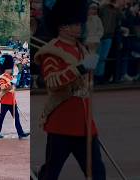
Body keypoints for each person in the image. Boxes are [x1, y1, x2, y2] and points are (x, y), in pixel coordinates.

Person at [34, 0, 106, 179]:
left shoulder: (81, 49)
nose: (79, 26)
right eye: (74, 23)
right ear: (63, 26)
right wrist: (81, 68)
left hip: (85, 122)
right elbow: (52, 82)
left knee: (97, 172)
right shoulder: (52, 51)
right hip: (62, 123)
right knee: (51, 172)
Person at [0, 54, 30, 139]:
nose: (11, 69)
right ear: (6, 69)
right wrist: (10, 83)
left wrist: (13, 82)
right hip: (5, 100)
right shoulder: (2, 77)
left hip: (12, 100)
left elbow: (14, 87)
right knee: (1, 117)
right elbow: (2, 87)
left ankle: (20, 133)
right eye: (10, 68)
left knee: (16, 117)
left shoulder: (10, 76)